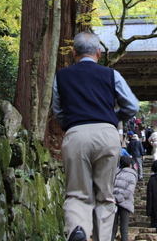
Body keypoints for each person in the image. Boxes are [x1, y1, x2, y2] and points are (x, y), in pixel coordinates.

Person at [51, 31, 140, 241]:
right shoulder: (111, 75)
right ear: (99, 53)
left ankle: (78, 229)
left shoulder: (61, 76)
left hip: (76, 134)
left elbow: (58, 111)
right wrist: (113, 117)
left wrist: (71, 123)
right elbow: (132, 105)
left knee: (77, 193)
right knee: (105, 195)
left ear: (74, 53)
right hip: (107, 135)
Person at [112, 156, 138, 241]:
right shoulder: (132, 175)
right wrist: (120, 198)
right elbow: (129, 191)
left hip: (114, 202)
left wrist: (115, 198)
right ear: (130, 164)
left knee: (112, 227)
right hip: (126, 203)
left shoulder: (116, 173)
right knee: (124, 228)